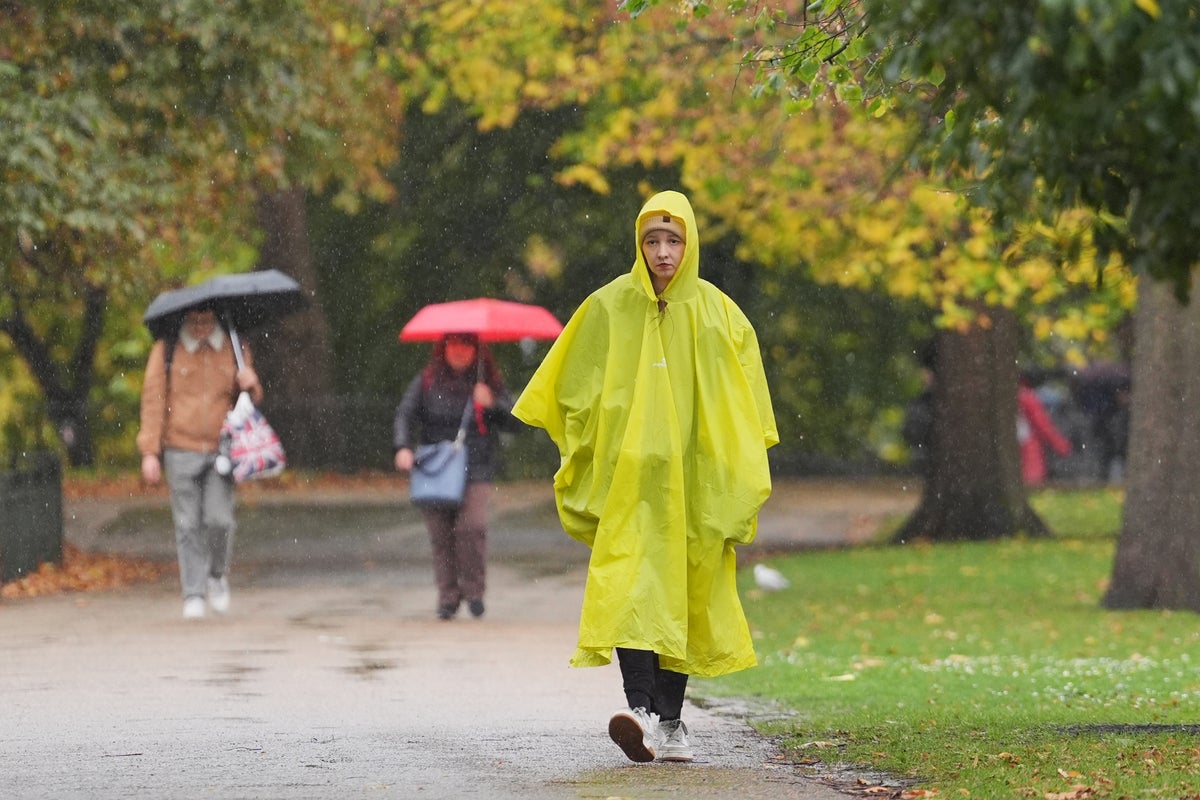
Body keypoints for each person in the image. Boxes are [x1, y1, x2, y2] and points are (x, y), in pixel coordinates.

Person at [512, 190, 778, 764]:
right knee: (632, 586)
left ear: (690, 244)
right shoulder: (609, 307)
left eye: (673, 240)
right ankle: (641, 710)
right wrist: (590, 442)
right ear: (638, 245)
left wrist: (734, 469)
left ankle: (671, 721)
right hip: (630, 483)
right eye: (652, 240)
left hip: (694, 483)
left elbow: (746, 405)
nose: (662, 252)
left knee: (684, 593)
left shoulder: (720, 314)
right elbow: (571, 381)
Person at [137, 307, 263, 620]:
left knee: (220, 520)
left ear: (216, 318)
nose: (201, 327)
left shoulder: (235, 346)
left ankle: (216, 575)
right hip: (180, 448)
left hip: (222, 449)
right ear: (184, 320)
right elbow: (153, 400)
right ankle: (193, 592)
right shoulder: (167, 350)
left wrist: (252, 384)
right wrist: (150, 451)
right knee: (187, 524)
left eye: (206, 321)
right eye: (194, 322)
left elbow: (249, 401)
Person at [393, 333, 515, 621]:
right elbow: (405, 414)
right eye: (454, 344)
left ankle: (474, 591)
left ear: (477, 349)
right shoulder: (426, 381)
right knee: (440, 534)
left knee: (472, 527)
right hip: (435, 468)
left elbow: (516, 420)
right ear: (443, 348)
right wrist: (402, 447)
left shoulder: (489, 383)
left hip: (476, 467)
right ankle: (448, 596)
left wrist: (492, 404)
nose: (460, 351)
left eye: (466, 345)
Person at [1018, 376, 1071, 487]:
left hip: (1014, 443)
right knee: (1032, 480)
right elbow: (1042, 424)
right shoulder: (1026, 397)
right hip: (1027, 444)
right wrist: (1061, 446)